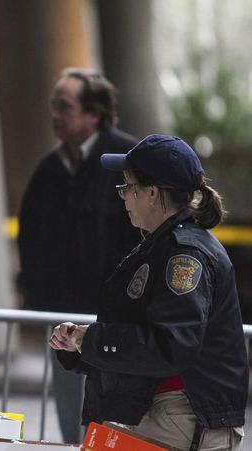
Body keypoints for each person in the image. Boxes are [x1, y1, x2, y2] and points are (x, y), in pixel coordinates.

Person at [50, 134, 248, 450]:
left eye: (127, 187)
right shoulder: (163, 246)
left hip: (179, 415)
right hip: (163, 412)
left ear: (152, 193)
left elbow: (171, 345)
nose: (123, 197)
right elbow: (143, 334)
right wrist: (82, 345)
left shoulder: (184, 255)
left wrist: (93, 340)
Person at [16, 68, 141, 444]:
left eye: (64, 106)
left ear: (94, 114)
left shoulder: (126, 161)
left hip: (113, 325)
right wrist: (37, 301)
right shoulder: (49, 170)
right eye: (53, 105)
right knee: (73, 427)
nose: (55, 114)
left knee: (115, 427)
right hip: (62, 322)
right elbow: (31, 239)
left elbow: (139, 240)